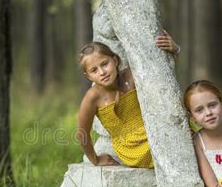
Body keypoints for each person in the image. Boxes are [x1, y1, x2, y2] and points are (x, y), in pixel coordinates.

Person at [76, 30, 179, 167]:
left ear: (115, 60)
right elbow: (82, 133)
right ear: (88, 76)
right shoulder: (93, 97)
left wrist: (175, 50)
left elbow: (165, 76)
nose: (102, 72)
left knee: (185, 131)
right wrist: (95, 159)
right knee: (173, 141)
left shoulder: (131, 76)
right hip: (131, 147)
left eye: (104, 64)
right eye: (94, 70)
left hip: (151, 131)